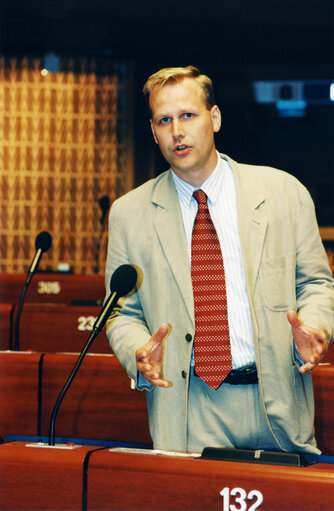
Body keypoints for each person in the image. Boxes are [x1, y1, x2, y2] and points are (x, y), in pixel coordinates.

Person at [105, 65, 334, 454]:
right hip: (188, 404)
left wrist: (314, 327)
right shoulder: (129, 213)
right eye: (164, 120)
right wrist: (138, 351)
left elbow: (315, 284)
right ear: (153, 130)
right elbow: (121, 313)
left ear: (214, 118)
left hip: (275, 397)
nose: (177, 130)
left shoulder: (284, 192)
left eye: (188, 115)